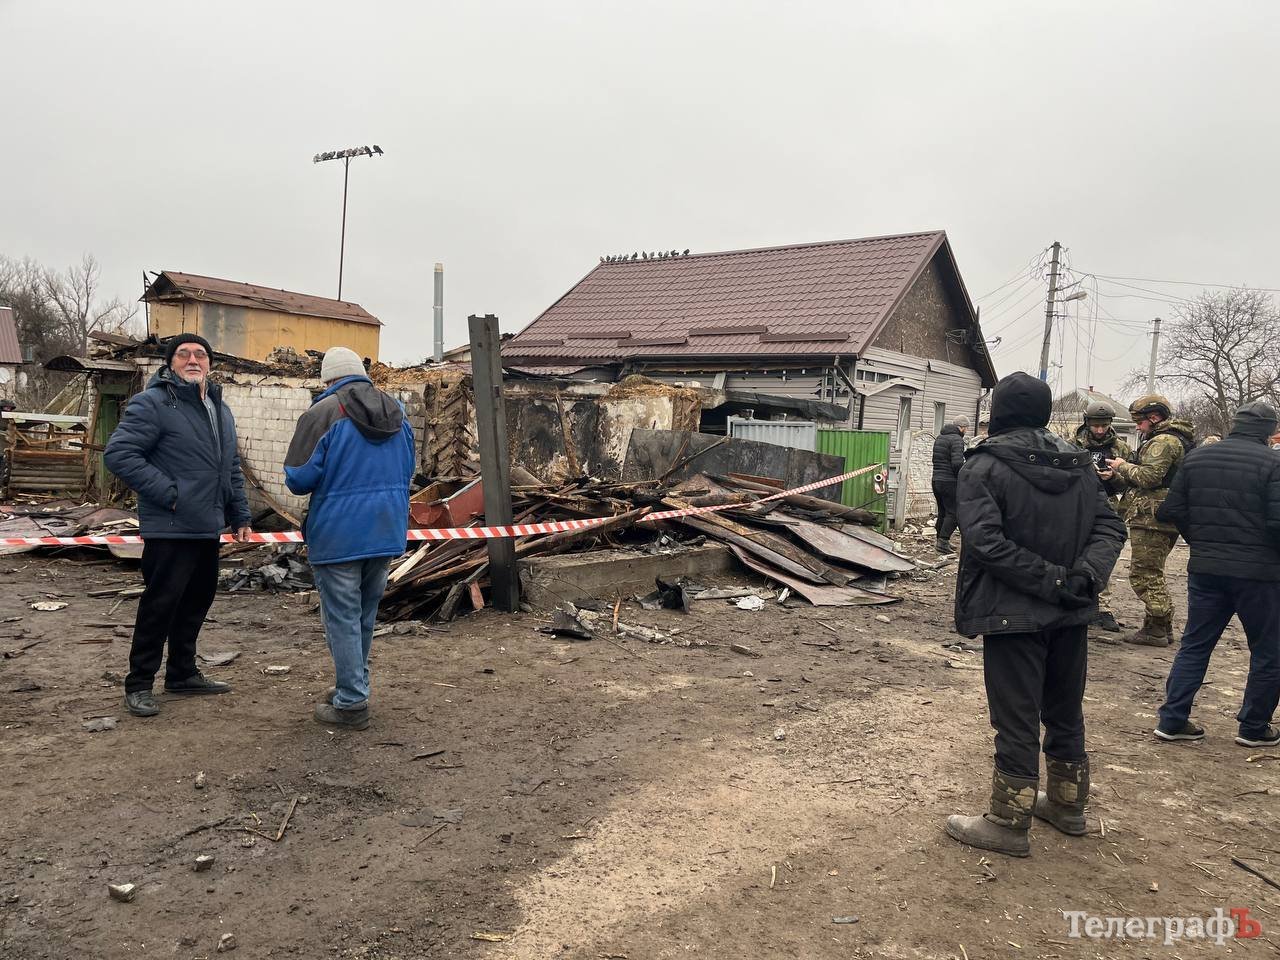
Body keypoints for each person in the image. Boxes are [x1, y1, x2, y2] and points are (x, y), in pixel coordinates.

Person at [945, 372, 1126, 858]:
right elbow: (1111, 528)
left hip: (1012, 614)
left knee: (1016, 716)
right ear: (1044, 412)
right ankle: (1067, 805)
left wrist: (1060, 580)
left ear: (999, 411)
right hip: (1070, 612)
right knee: (1065, 708)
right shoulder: (1079, 464)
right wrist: (1083, 578)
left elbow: (985, 543)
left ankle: (1008, 821)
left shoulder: (982, 466)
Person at [104, 333, 252, 718]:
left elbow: (230, 467)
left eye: (200, 354)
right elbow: (119, 454)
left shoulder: (219, 407)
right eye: (183, 354)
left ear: (210, 364)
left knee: (196, 601)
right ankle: (139, 683)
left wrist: (240, 514)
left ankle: (182, 673)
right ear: (170, 363)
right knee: (160, 606)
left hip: (207, 526)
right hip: (170, 526)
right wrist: (171, 494)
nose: (192, 360)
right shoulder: (152, 403)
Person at [284, 347, 415, 731]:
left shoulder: (323, 413)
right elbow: (409, 468)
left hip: (339, 534)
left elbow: (298, 479)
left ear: (328, 378)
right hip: (386, 528)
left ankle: (352, 702)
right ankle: (353, 684)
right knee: (363, 615)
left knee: (341, 618)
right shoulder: (397, 411)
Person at [1151, 401, 1280, 748]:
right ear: (1269, 431)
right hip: (1260, 575)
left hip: (1206, 569)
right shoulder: (1274, 464)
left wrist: (1202, 542)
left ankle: (1172, 719)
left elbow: (1171, 510)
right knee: (1268, 651)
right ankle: (1254, 726)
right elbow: (1277, 523)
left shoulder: (1196, 458)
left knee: (1195, 644)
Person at [1101, 395, 1195, 646]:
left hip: (1152, 517)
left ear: (1154, 418)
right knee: (1152, 572)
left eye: (1140, 422)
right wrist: (1116, 475)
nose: (1138, 427)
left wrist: (1122, 466)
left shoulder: (1164, 441)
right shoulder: (1172, 438)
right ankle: (1158, 628)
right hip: (1158, 515)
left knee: (1144, 574)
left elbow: (1149, 477)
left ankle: (1158, 627)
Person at [1070, 401, 1131, 633]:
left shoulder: (1121, 448)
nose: (1099, 430)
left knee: (1103, 555)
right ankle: (1078, 600)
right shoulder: (1073, 444)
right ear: (1087, 423)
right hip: (1077, 503)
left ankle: (1103, 607)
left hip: (1107, 504)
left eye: (1104, 425)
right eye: (1096, 425)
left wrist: (1113, 477)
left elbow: (1129, 482)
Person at [931, 416, 969, 554]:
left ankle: (940, 541)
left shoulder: (940, 438)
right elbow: (957, 463)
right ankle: (943, 542)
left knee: (943, 512)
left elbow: (934, 459)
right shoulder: (957, 439)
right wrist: (963, 477)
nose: (966, 430)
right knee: (954, 513)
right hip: (949, 481)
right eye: (966, 428)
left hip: (936, 480)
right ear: (962, 427)